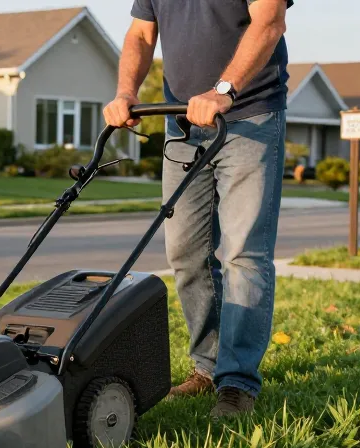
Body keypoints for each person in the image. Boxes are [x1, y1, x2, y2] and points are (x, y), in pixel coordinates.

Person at [104, 0, 291, 418]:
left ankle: (237, 383)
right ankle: (207, 367)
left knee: (244, 254)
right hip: (182, 124)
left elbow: (270, 21)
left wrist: (223, 89)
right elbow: (141, 34)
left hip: (250, 116)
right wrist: (126, 91)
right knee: (186, 253)